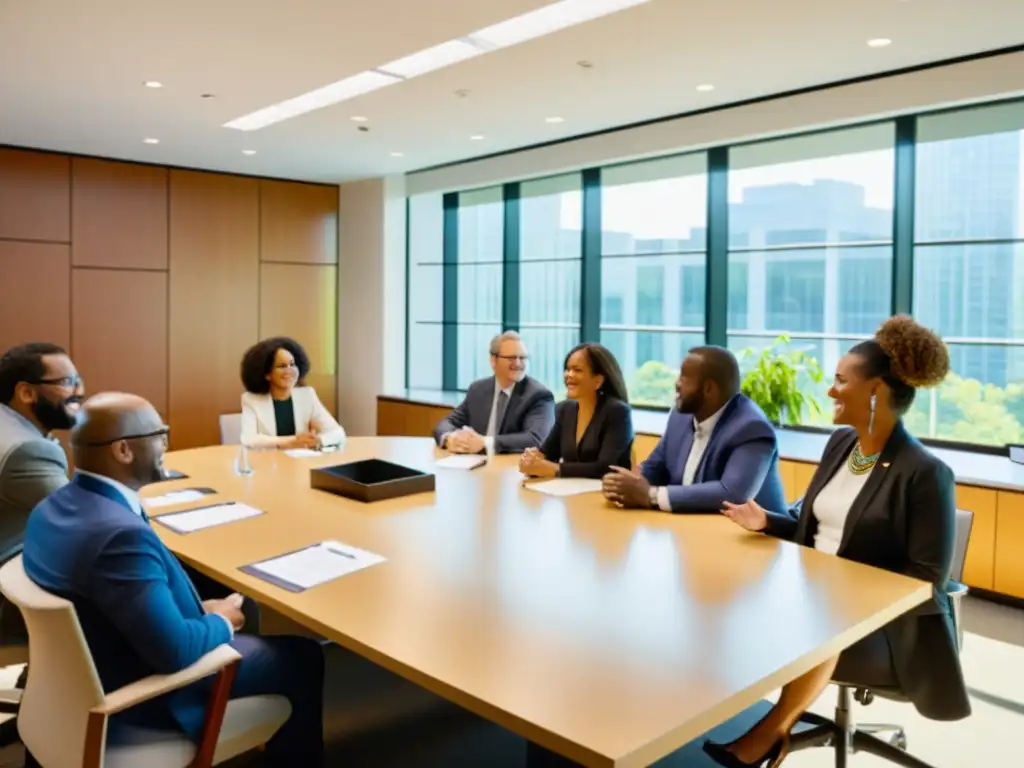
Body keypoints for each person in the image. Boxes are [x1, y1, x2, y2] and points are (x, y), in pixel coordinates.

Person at [704, 316, 970, 768]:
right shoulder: (842, 444)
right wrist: (765, 520)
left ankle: (768, 736)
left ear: (875, 392)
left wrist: (845, 590)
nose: (830, 391)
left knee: (820, 628)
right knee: (724, 594)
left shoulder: (925, 473)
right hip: (813, 594)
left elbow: (926, 578)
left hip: (882, 625)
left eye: (840, 381)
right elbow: (814, 528)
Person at [23, 392, 325, 765]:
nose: (166, 443)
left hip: (74, 682)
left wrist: (196, 611)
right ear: (122, 450)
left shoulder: (52, 507)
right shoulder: (120, 535)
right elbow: (174, 652)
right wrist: (220, 621)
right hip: (142, 698)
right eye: (159, 433)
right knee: (304, 656)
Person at [602, 346, 786, 514]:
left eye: (684, 377)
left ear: (708, 389)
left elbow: (733, 494)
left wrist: (651, 495)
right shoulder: (680, 417)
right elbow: (656, 466)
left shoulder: (751, 428)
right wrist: (627, 484)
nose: (677, 384)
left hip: (758, 542)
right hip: (693, 531)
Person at [0, 343, 83, 566]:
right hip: (13, 570)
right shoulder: (27, 451)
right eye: (67, 383)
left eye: (78, 381)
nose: (79, 393)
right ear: (26, 393)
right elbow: (80, 519)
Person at [519, 342, 633, 479]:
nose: (569, 375)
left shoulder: (618, 412)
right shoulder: (565, 409)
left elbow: (605, 468)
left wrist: (555, 469)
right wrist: (533, 459)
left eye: (577, 370)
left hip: (606, 494)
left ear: (598, 381)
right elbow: (547, 454)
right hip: (571, 493)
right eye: (567, 369)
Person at [433, 331, 555, 455]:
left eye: (523, 358)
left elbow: (536, 438)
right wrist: (450, 438)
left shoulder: (539, 395)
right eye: (511, 358)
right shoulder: (478, 389)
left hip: (512, 469)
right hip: (475, 466)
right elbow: (447, 423)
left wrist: (485, 443)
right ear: (493, 360)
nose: (518, 363)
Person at [239, 337, 345, 450]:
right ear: (267, 374)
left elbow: (337, 433)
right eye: (282, 366)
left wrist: (318, 441)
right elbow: (248, 439)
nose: (290, 371)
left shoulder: (307, 395)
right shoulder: (251, 399)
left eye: (292, 364)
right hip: (267, 463)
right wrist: (291, 442)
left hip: (299, 462)